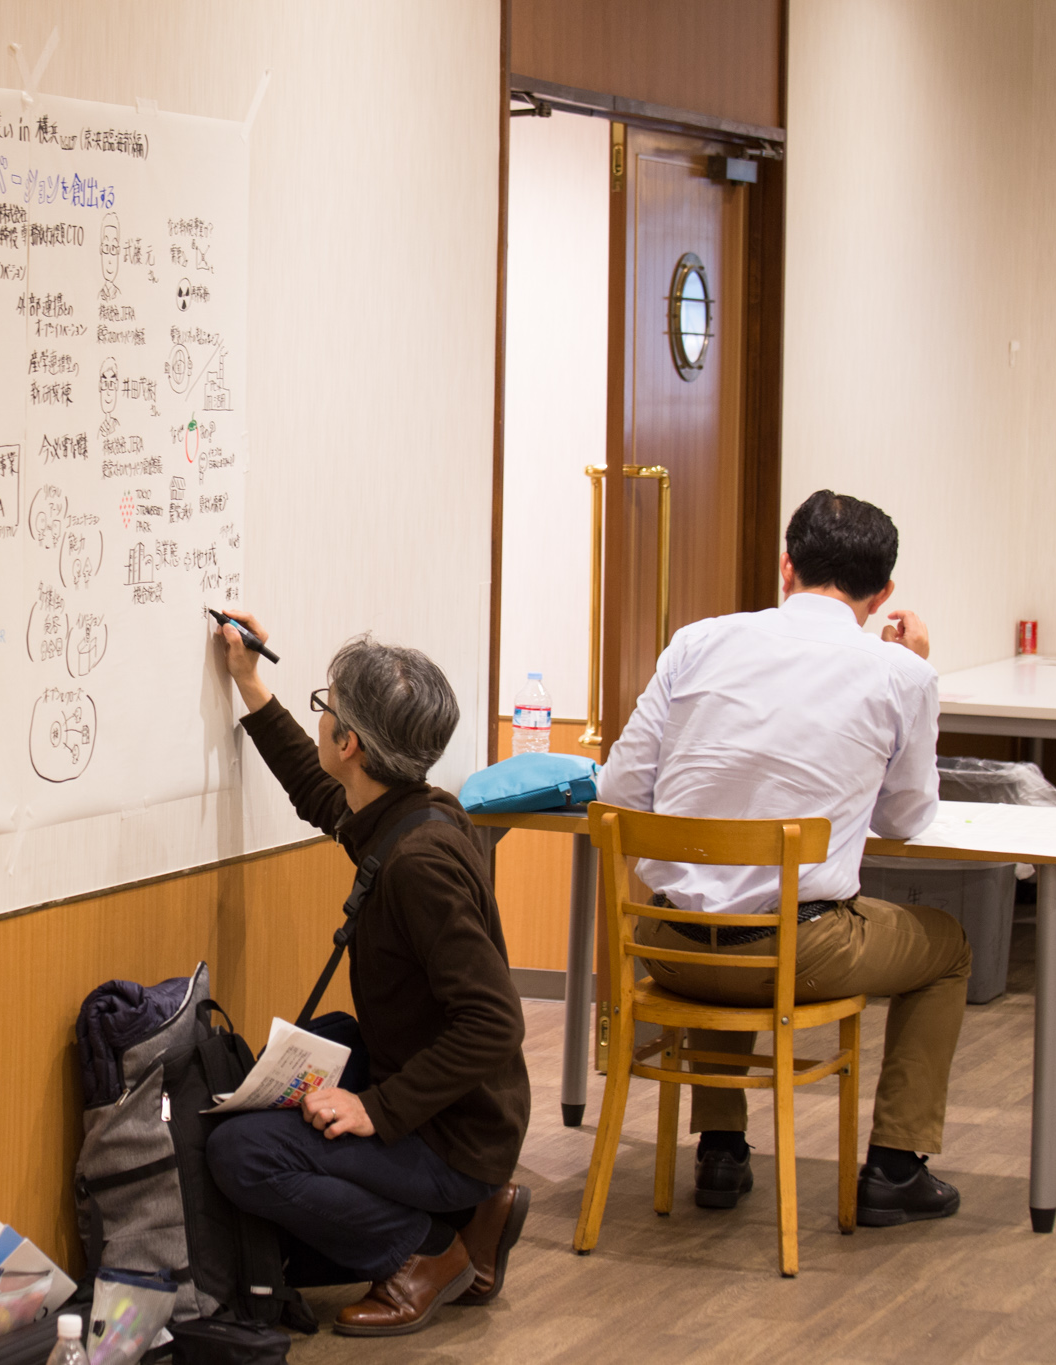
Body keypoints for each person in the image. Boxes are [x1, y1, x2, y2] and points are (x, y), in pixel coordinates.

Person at [596, 489, 971, 1225]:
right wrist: (911, 672)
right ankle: (896, 1166)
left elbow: (617, 790)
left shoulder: (696, 643)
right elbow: (904, 817)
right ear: (882, 593)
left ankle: (721, 1149)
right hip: (800, 952)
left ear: (785, 567)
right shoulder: (901, 673)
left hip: (665, 946)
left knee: (724, 897)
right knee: (949, 946)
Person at [206, 617, 532, 1336]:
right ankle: (472, 1213)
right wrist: (249, 681)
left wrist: (375, 1110)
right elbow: (318, 794)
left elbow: (494, 1022)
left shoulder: (420, 865)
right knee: (321, 1040)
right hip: (440, 1097)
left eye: (326, 707)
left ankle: (426, 1252)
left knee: (242, 1152)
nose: (321, 717)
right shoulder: (408, 811)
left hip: (456, 1135)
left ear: (349, 744)